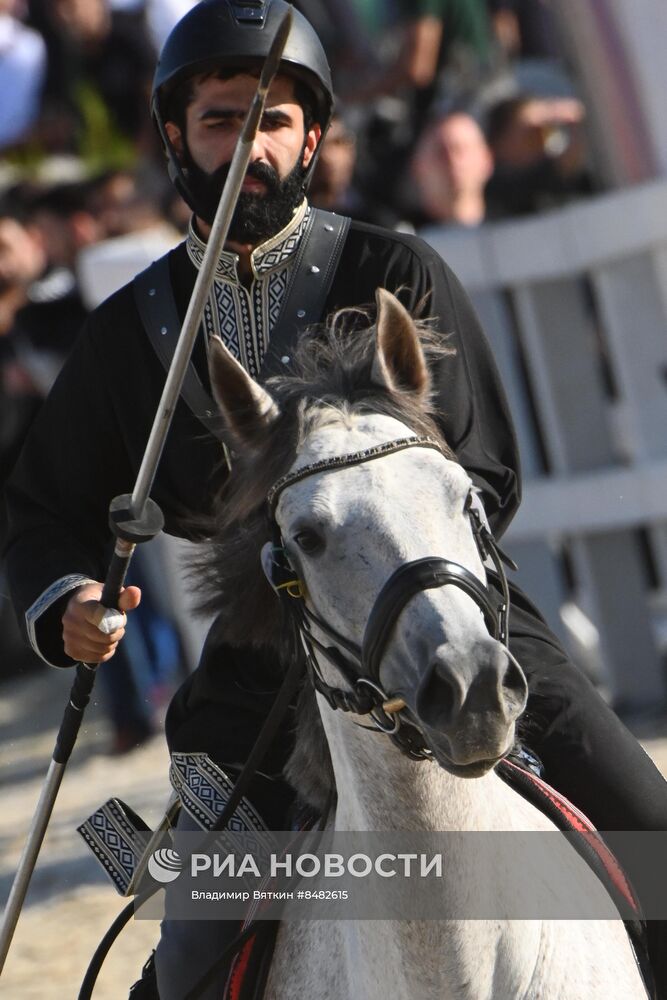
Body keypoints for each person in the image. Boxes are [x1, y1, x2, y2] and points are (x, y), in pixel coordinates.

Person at [2, 1, 666, 996]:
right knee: (184, 957)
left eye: (272, 121)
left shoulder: (394, 269)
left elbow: (482, 470)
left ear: (311, 136)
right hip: (255, 661)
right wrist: (69, 603)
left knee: (652, 833)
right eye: (223, 121)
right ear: (176, 137)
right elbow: (43, 504)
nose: (250, 146)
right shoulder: (129, 332)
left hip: (446, 607)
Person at [409, 109, 494, 228]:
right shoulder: (397, 239)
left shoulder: (516, 228)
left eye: (460, 149)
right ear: (417, 167)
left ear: (487, 160)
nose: (452, 161)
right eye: (440, 153)